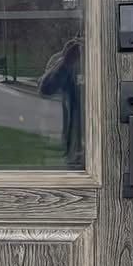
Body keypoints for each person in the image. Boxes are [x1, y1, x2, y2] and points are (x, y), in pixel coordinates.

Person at [38, 36, 84, 168]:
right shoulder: (66, 57)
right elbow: (45, 89)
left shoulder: (105, 56)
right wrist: (66, 62)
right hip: (75, 155)